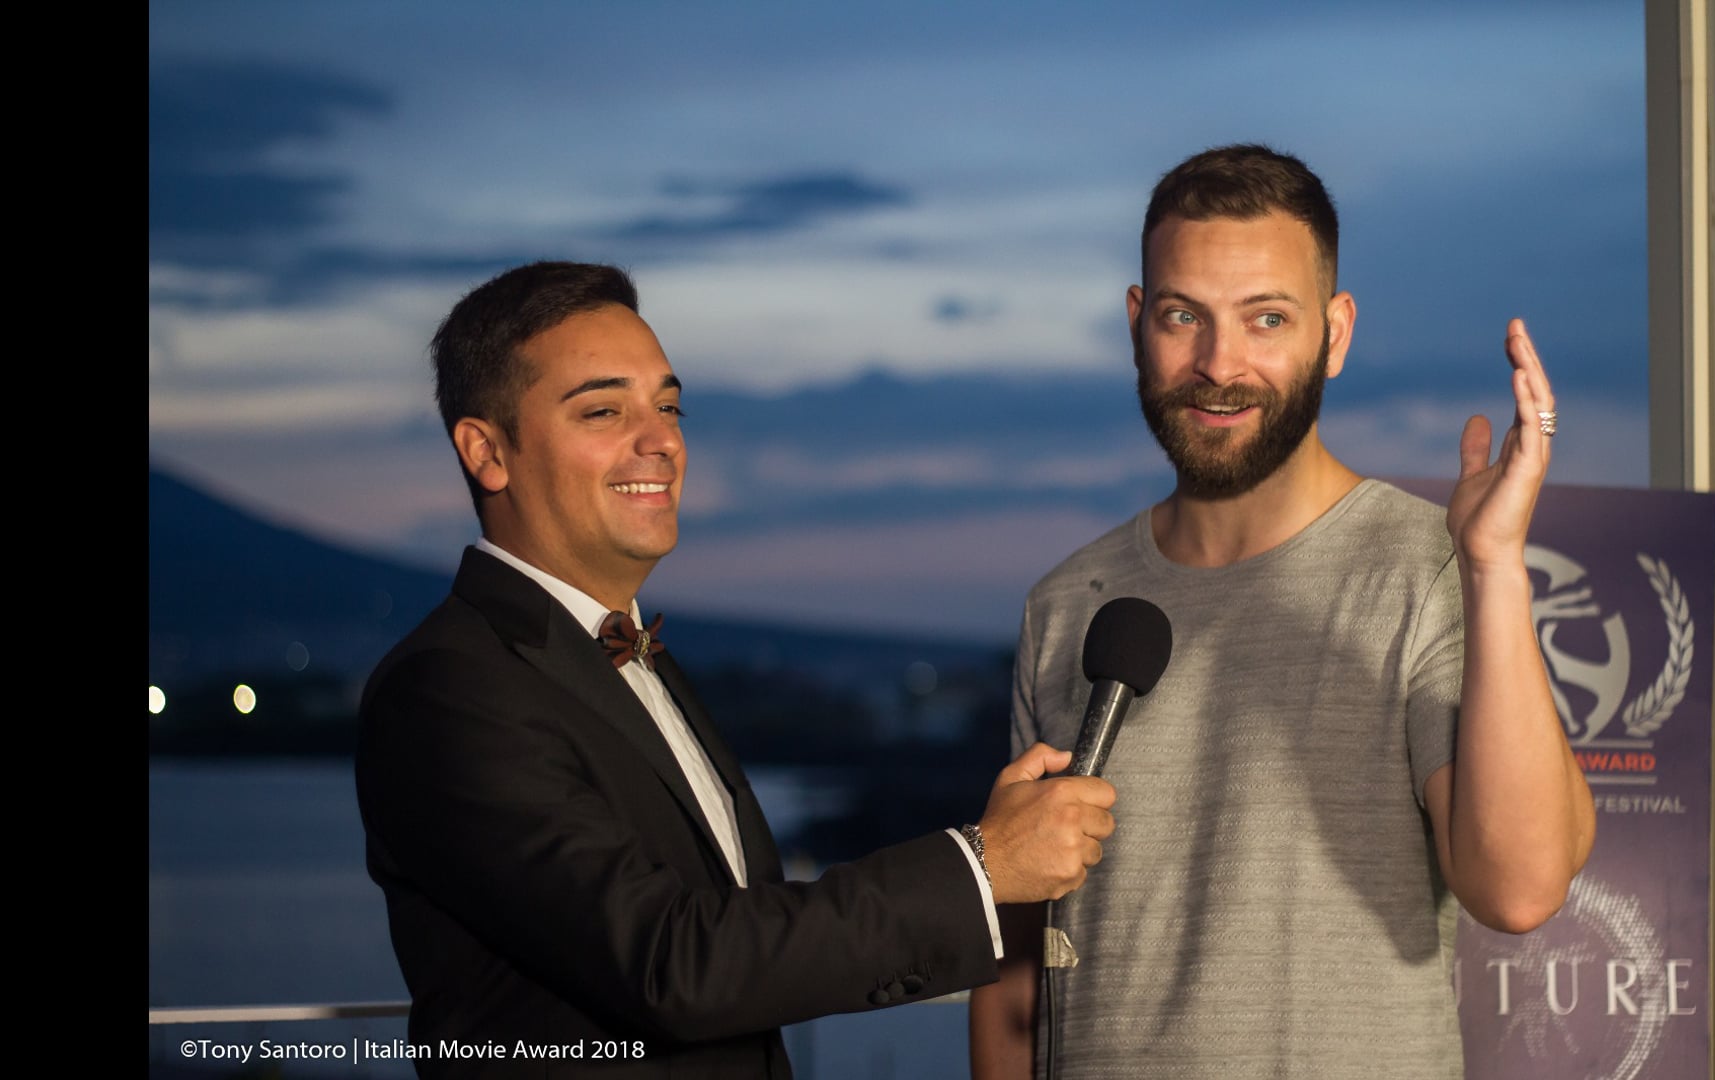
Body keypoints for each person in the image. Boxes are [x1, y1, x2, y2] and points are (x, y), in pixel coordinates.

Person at [355, 260, 1118, 1079]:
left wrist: (994, 867)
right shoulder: (447, 688)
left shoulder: (633, 656)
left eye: (669, 405)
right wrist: (981, 864)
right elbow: (673, 964)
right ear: (487, 452)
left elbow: (745, 951)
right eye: (605, 410)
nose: (662, 441)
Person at [968, 145, 1596, 1078]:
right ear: (1140, 325)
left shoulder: (1425, 566)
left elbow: (1518, 888)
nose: (1221, 365)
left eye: (1268, 319)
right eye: (1186, 317)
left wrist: (1496, 567)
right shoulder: (1066, 603)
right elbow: (1017, 967)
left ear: (1335, 335)